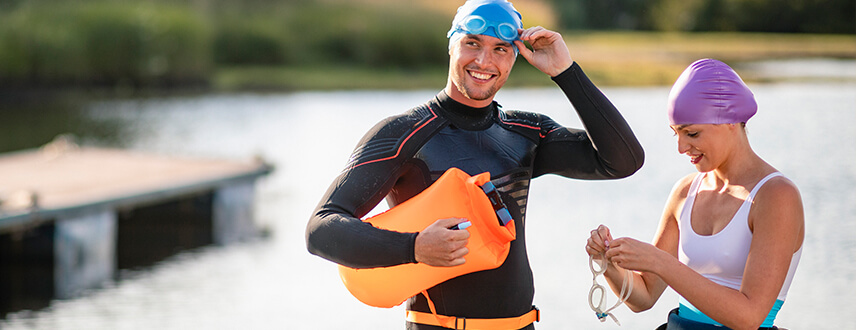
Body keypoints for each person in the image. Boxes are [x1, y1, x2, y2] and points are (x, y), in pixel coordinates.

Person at [305, 0, 644, 328]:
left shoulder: (526, 134)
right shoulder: (405, 134)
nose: (484, 60)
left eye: (500, 49)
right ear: (451, 45)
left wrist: (566, 72)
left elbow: (624, 161)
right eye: (472, 43)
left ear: (515, 57)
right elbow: (321, 228)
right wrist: (414, 247)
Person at [585, 58, 804, 330]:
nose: (681, 147)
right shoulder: (686, 191)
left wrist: (662, 263)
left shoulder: (776, 196)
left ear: (730, 121)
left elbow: (749, 318)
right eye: (675, 133)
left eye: (692, 133)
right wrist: (608, 263)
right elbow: (643, 297)